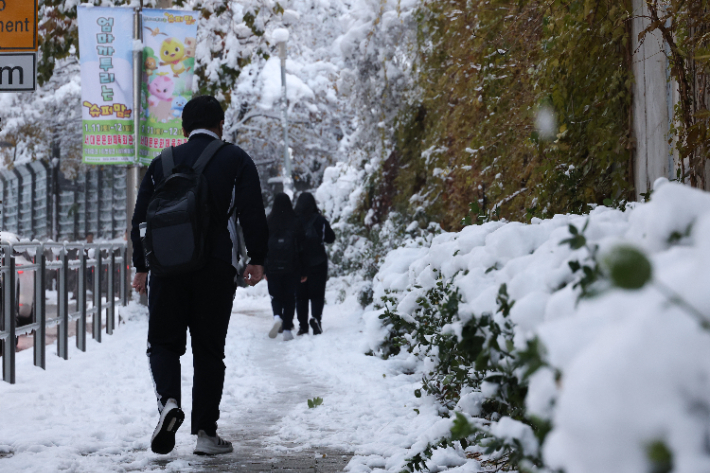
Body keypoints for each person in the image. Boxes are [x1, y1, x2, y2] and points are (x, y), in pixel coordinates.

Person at [130, 95, 269, 456]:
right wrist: (257, 258)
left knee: (163, 344)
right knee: (208, 350)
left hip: (167, 270)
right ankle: (206, 434)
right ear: (221, 125)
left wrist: (142, 266)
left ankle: (169, 404)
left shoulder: (162, 162)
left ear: (183, 129)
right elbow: (252, 212)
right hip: (215, 270)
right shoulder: (235, 159)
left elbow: (140, 219)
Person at [265, 193, 308, 341]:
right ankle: (288, 329)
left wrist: (265, 268)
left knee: (276, 296)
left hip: (273, 267)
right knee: (290, 298)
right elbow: (302, 247)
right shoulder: (295, 221)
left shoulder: (269, 221)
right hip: (292, 266)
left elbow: (263, 246)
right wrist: (303, 269)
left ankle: (277, 316)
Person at [294, 192, 335, 335]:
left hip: (298, 263)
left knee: (300, 296)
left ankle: (302, 326)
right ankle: (316, 318)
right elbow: (331, 238)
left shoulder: (293, 220)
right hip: (318, 261)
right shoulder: (320, 220)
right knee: (317, 294)